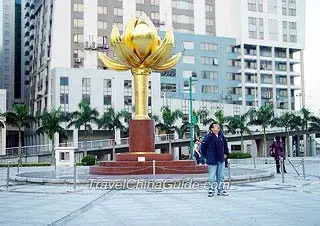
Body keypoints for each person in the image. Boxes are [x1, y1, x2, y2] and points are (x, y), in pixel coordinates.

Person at [201, 123, 229, 197]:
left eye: (218, 127)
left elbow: (225, 144)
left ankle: (221, 190)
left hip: (221, 159)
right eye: (216, 126)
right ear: (212, 129)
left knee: (221, 176)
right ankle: (211, 190)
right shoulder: (208, 137)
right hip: (212, 159)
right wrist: (205, 156)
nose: (218, 128)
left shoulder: (221, 136)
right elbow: (203, 147)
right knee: (212, 176)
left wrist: (226, 153)